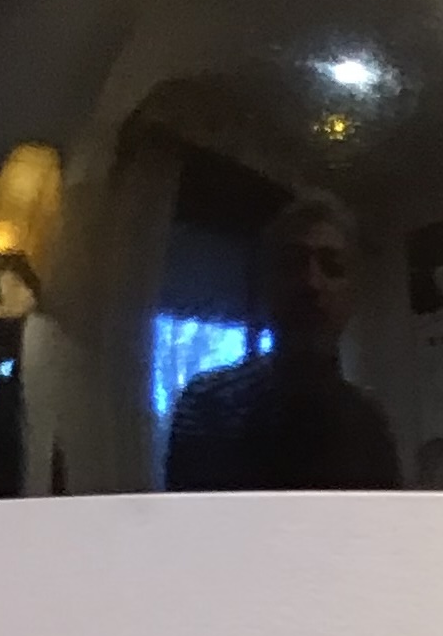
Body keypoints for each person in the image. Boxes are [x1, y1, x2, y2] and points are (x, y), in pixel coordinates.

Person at [165, 191, 403, 490]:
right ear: (267, 285)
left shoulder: (371, 423)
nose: (312, 283)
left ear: (353, 295)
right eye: (292, 263)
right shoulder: (206, 407)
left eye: (333, 266)